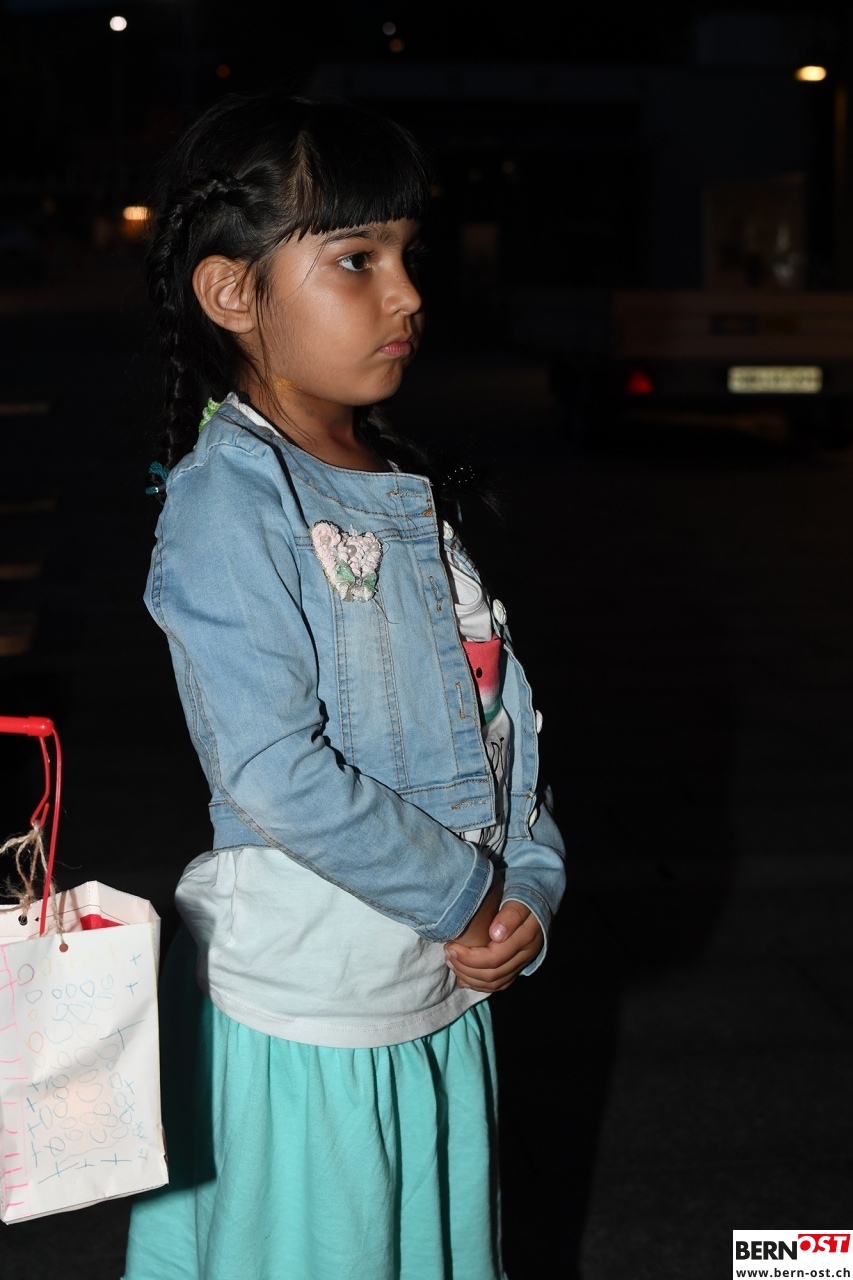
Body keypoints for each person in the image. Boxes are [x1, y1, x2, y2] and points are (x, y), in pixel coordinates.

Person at [123, 92, 565, 1280]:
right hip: (314, 1014)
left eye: (409, 253)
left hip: (434, 995)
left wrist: (528, 885)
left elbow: (500, 726)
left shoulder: (406, 486)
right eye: (359, 259)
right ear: (232, 292)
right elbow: (273, 768)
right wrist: (464, 894)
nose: (408, 293)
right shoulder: (231, 503)